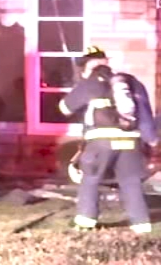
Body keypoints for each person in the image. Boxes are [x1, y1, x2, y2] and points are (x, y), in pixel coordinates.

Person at [58, 46, 154, 234]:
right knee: (131, 181)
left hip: (101, 141)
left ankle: (85, 222)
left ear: (88, 66)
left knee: (91, 179)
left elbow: (64, 108)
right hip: (131, 141)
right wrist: (150, 139)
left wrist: (80, 92)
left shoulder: (90, 82)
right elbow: (144, 110)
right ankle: (141, 224)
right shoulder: (130, 82)